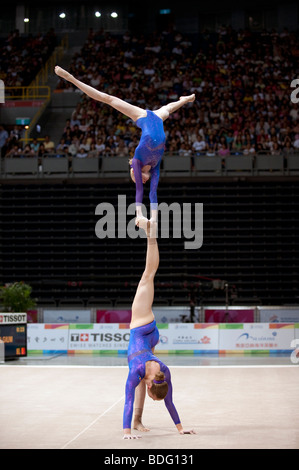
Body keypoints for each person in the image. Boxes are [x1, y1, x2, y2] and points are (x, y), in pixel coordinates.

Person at [54, 65, 195, 225]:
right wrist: (153, 219)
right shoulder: (155, 166)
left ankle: (71, 78)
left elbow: (139, 192)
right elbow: (153, 192)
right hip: (156, 117)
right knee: (168, 108)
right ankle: (185, 99)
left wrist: (139, 215)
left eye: (139, 180)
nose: (143, 182)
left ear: (136, 173)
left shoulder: (137, 162)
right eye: (142, 181)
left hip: (142, 116)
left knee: (107, 98)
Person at [123, 219, 196, 439]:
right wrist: (124, 432)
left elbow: (170, 401)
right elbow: (127, 399)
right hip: (140, 324)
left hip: (150, 334)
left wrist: (181, 428)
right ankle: (150, 233)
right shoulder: (137, 371)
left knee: (150, 274)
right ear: (151, 386)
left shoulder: (163, 372)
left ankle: (136, 420)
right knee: (148, 274)